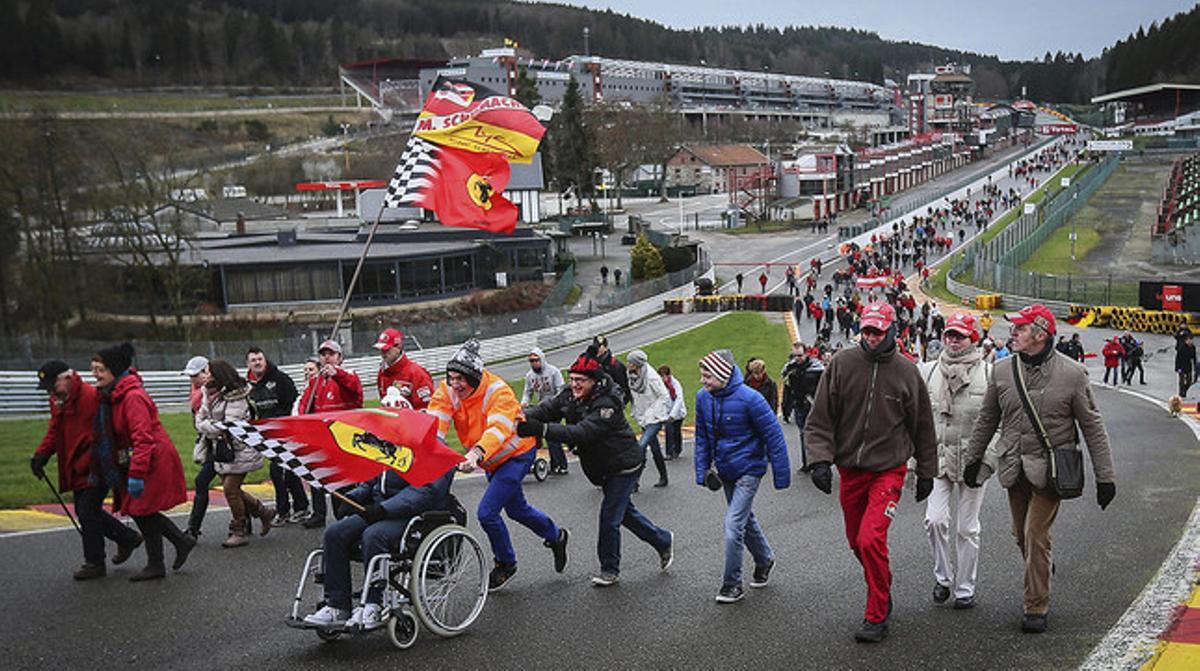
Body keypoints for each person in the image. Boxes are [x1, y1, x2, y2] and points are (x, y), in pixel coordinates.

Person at [962, 304, 1116, 634]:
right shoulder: (1001, 370)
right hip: (1013, 467)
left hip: (1052, 472)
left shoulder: (1073, 374)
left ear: (1040, 334)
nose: (1012, 333)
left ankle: (1036, 606)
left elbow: (1093, 426)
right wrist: (973, 460)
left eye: (1019, 328)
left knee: (1035, 535)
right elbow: (988, 418)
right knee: (1022, 536)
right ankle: (1041, 568)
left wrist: (1106, 477)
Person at [804, 301, 938, 642]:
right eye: (867, 330)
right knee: (856, 542)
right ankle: (883, 586)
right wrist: (819, 460)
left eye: (878, 331)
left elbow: (923, 426)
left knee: (870, 538)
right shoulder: (842, 364)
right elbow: (820, 418)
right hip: (850, 470)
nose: (872, 337)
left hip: (888, 471)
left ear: (892, 330)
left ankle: (876, 614)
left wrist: (926, 472)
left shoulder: (908, 372)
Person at [517, 354, 674, 587]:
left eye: (581, 380)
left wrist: (541, 429)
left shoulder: (607, 403)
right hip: (601, 467)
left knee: (609, 517)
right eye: (573, 379)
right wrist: (519, 417)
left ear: (595, 381)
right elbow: (546, 409)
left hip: (624, 465)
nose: (575, 384)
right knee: (625, 514)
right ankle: (662, 540)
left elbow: (582, 433)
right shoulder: (570, 395)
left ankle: (610, 569)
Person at [429, 339, 568, 591]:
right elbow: (435, 423)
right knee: (517, 510)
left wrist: (475, 454)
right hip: (491, 459)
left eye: (461, 378)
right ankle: (556, 535)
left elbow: (499, 429)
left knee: (487, 513)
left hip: (516, 455)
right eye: (451, 377)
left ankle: (506, 563)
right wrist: (429, 449)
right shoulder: (448, 389)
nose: (455, 384)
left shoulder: (498, 391)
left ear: (473, 376)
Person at [31, 360, 143, 580]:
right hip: (74, 465)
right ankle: (126, 537)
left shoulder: (92, 397)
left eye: (54, 385)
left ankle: (95, 562)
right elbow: (55, 431)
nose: (52, 391)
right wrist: (41, 455)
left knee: (87, 510)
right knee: (85, 510)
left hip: (97, 463)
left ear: (68, 377)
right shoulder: (58, 401)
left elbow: (107, 432)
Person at [303, 467, 456, 628]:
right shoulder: (391, 450)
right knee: (334, 533)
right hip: (381, 510)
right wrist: (351, 498)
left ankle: (373, 603)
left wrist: (384, 509)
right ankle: (337, 605)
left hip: (413, 517)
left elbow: (423, 493)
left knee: (373, 535)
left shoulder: (435, 454)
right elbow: (372, 482)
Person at [694, 349, 791, 604]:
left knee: (733, 525)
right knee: (745, 520)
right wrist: (701, 471)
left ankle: (732, 584)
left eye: (708, 376)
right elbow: (702, 437)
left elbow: (774, 436)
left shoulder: (752, 399)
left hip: (750, 469)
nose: (703, 381)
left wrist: (781, 475)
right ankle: (765, 558)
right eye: (702, 375)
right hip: (725, 470)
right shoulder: (703, 398)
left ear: (723, 375)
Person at [90, 343, 192, 581]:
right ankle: (175, 547)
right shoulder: (113, 396)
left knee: (141, 509)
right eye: (93, 369)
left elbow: (143, 439)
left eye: (100, 370)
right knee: (141, 510)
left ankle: (164, 557)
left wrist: (137, 474)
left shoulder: (132, 397)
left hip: (152, 458)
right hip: (140, 457)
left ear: (114, 371)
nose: (95, 375)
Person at [917, 313, 994, 610]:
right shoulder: (927, 371)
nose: (952, 340)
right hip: (938, 458)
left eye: (959, 335)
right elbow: (919, 419)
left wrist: (987, 460)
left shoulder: (989, 373)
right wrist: (917, 460)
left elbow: (999, 423)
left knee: (967, 528)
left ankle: (965, 588)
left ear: (972, 338)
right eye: (949, 334)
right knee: (934, 520)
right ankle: (943, 577)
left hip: (974, 462)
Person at [196, 360, 274, 548]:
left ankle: (239, 529)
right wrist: (211, 426)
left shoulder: (237, 395)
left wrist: (209, 426)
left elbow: (229, 426)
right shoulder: (208, 392)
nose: (204, 375)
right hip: (221, 449)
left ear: (218, 374)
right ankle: (263, 512)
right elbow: (200, 418)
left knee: (230, 489)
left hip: (241, 448)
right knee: (232, 489)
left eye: (207, 372)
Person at [298, 339, 363, 529]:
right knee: (316, 476)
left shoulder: (348, 376)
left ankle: (346, 522)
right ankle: (319, 514)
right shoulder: (315, 381)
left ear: (340, 357)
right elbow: (304, 405)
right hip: (321, 439)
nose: (327, 357)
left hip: (344, 440)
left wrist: (338, 374)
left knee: (342, 487)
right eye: (323, 354)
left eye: (331, 354)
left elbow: (354, 389)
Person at [247, 348, 305, 527]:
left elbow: (295, 404)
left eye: (259, 359)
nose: (257, 362)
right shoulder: (250, 386)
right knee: (279, 473)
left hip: (287, 432)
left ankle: (295, 508)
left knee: (284, 472)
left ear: (265, 360)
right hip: (268, 436)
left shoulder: (280, 379)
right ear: (248, 364)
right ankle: (289, 508)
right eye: (253, 360)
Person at [625, 349, 671, 488]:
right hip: (642, 417)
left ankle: (634, 482)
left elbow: (664, 396)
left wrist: (651, 413)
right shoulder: (632, 376)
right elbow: (634, 397)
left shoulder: (651, 378)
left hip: (655, 418)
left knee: (641, 446)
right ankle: (664, 477)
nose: (628, 364)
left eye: (630, 362)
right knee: (655, 448)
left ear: (637, 364)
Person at [521, 348, 568, 474]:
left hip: (555, 408)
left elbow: (561, 391)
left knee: (553, 436)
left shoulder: (553, 372)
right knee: (537, 433)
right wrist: (524, 402)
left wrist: (555, 403)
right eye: (531, 361)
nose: (534, 363)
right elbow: (527, 392)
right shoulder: (530, 376)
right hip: (541, 409)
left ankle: (561, 465)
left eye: (536, 360)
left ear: (541, 359)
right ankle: (552, 465)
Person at [182, 357, 214, 539]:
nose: (192, 379)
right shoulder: (195, 390)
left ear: (206, 371)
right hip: (208, 441)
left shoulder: (211, 390)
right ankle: (256, 514)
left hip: (221, 443)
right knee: (230, 486)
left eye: (196, 375)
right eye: (190, 376)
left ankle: (193, 529)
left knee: (202, 481)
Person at [781, 340, 824, 474]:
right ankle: (806, 463)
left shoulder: (817, 368)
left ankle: (818, 463)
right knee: (803, 434)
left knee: (815, 435)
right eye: (795, 355)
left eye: (800, 355)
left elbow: (824, 386)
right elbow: (786, 385)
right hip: (798, 405)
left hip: (814, 405)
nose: (797, 358)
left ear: (806, 354)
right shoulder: (790, 368)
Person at [374, 327, 434, 410]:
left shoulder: (417, 373)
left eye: (387, 350)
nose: (383, 354)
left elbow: (426, 409)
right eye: (381, 350)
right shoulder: (382, 373)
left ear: (398, 347)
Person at [588, 335, 630, 402]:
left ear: (605, 348)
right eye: (595, 347)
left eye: (599, 347)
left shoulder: (615, 366)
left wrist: (617, 405)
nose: (596, 350)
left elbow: (625, 389)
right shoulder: (593, 364)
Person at [659, 365, 686, 460]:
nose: (663, 378)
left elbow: (679, 400)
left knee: (676, 431)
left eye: (664, 376)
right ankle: (669, 452)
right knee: (669, 430)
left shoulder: (675, 384)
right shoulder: (660, 386)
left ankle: (677, 450)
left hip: (678, 413)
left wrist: (673, 415)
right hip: (667, 413)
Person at [1176, 332, 1196, 397]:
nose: (1190, 341)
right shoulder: (1181, 348)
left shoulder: (1193, 348)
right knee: (1181, 380)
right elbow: (1177, 358)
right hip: (1181, 366)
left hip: (1188, 366)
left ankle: (1185, 389)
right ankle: (1181, 392)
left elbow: (1194, 357)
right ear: (1186, 341)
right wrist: (1177, 368)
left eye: (1191, 340)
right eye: (1189, 340)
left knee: (1189, 381)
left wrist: (1195, 366)